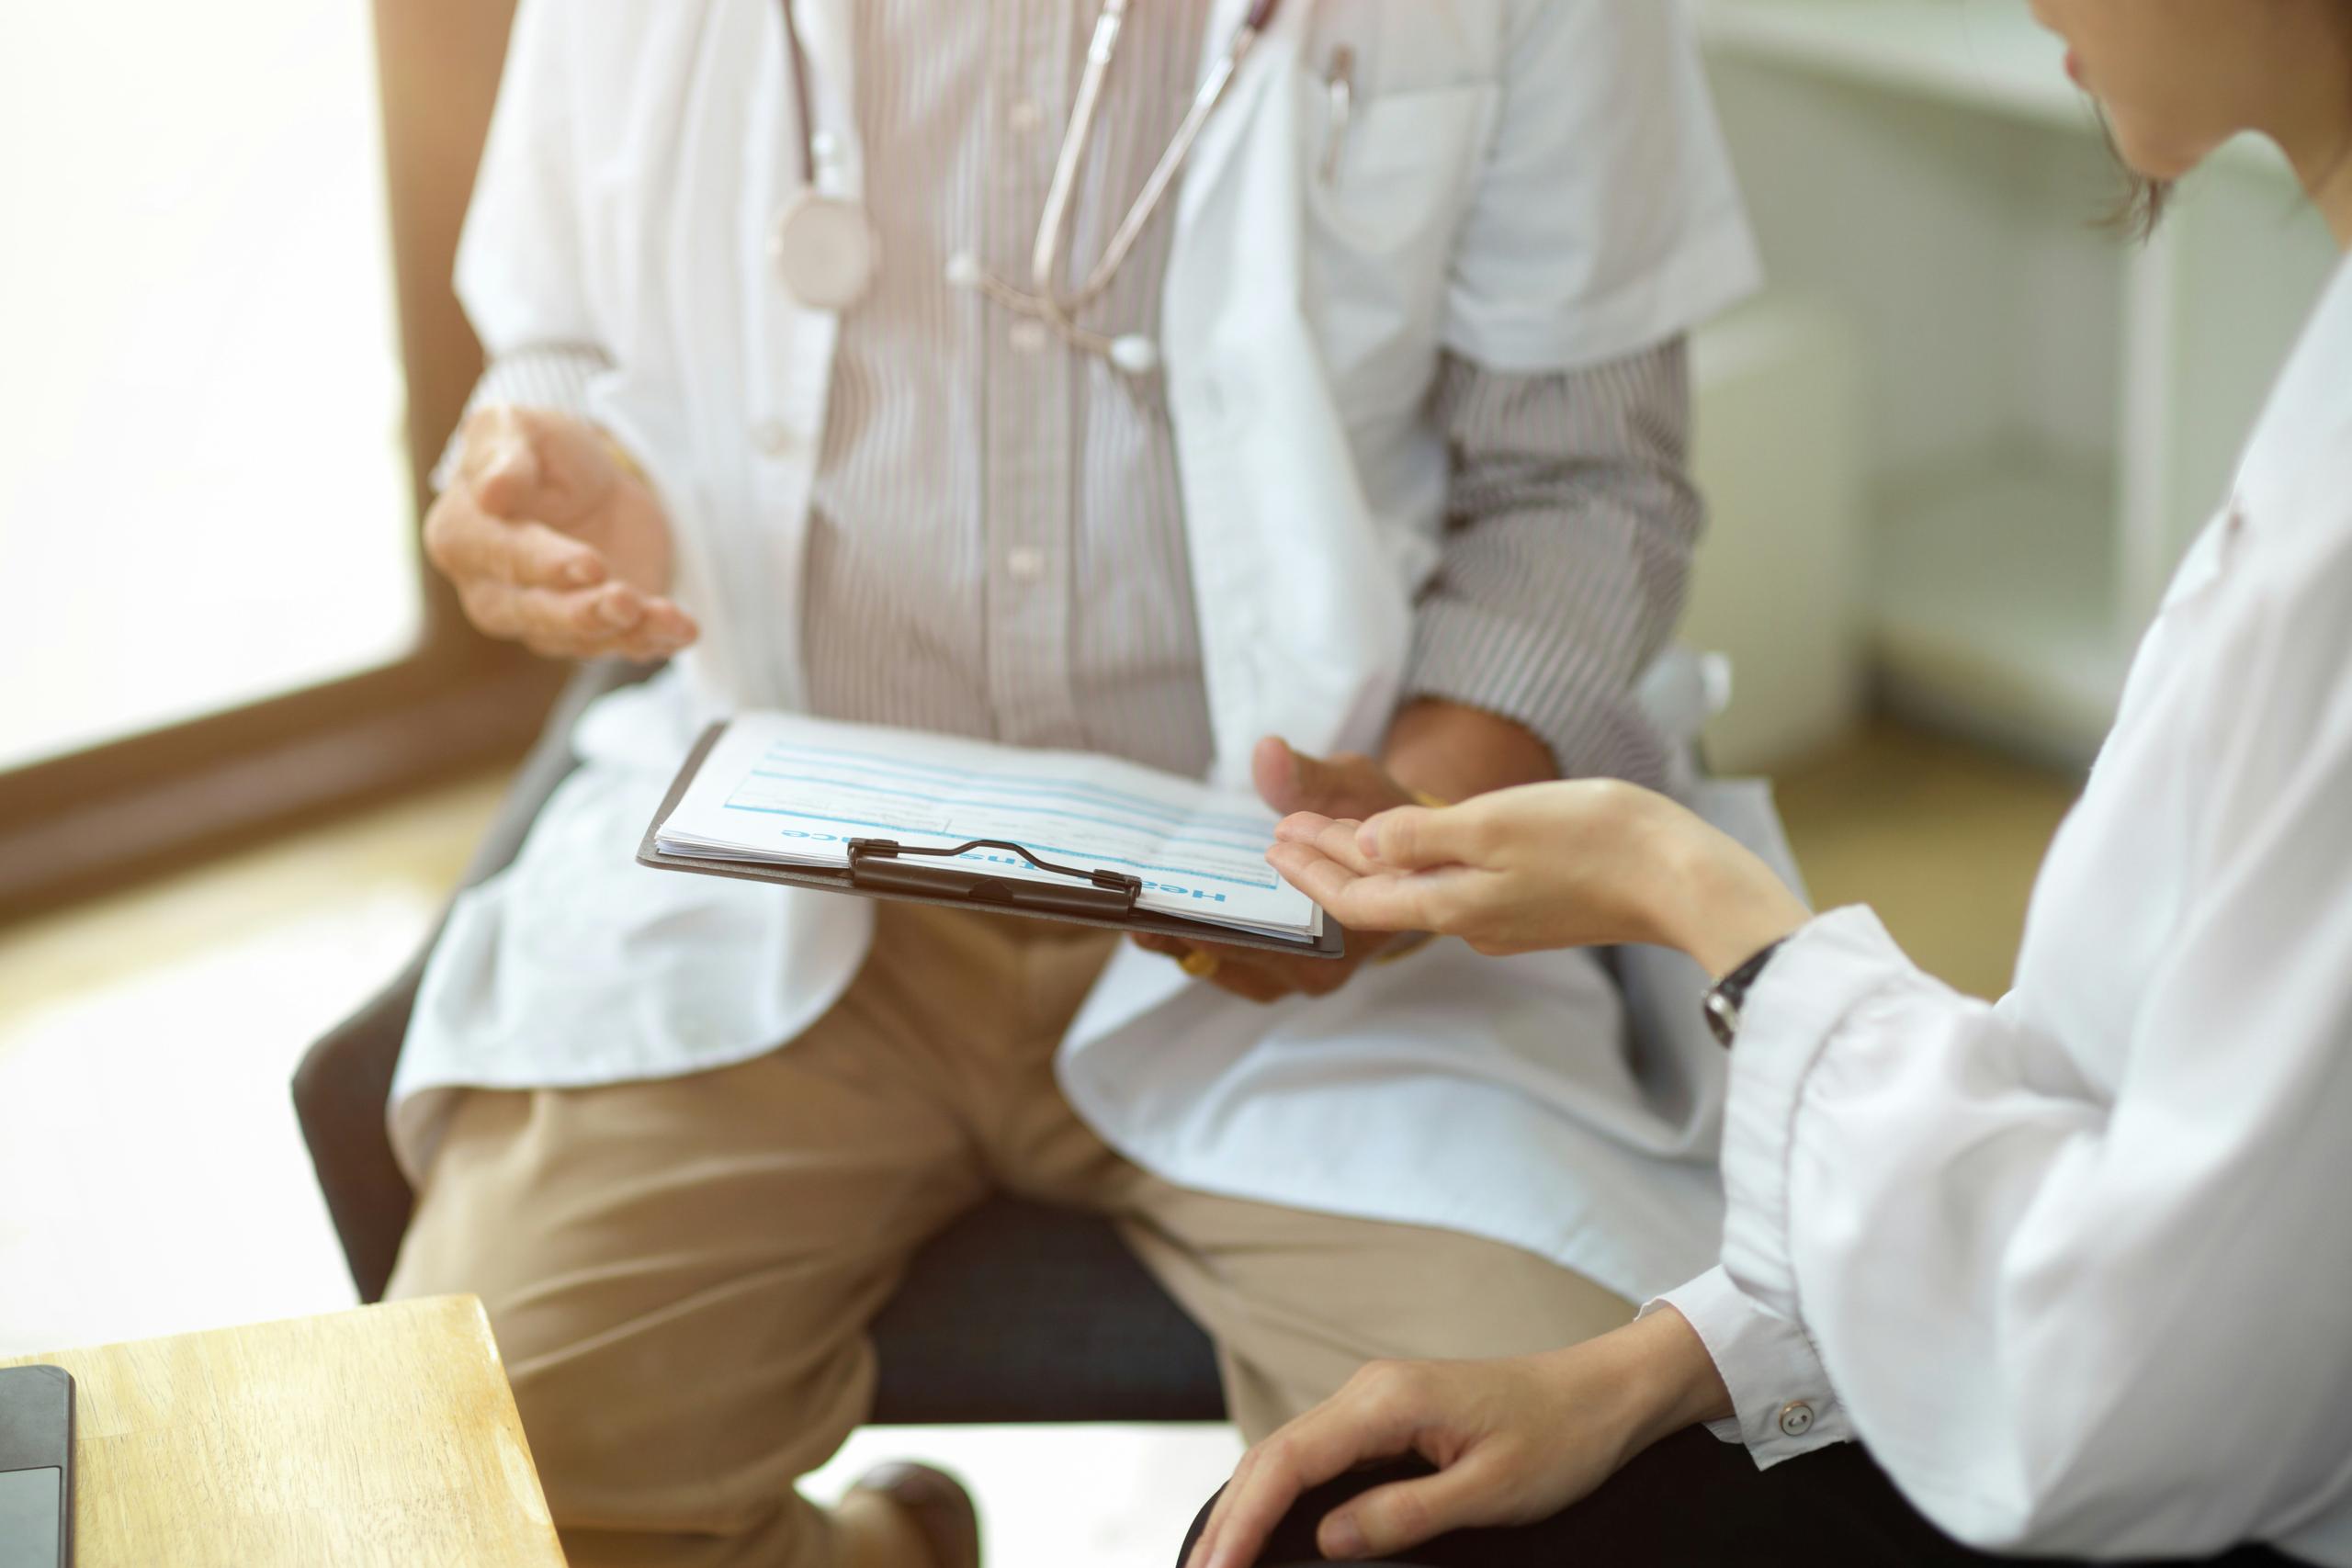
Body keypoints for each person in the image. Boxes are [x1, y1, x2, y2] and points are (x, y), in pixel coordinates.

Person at [386, 3, 1766, 1565]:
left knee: (1531, 1505)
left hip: (1331, 929)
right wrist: (553, 484)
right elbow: (563, 338)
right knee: (472, 1498)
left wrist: (1409, 835)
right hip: (787, 879)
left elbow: (1583, 486)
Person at [1184, 3, 2352, 1565]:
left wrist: (1696, 896)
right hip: (2117, 1387)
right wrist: (1643, 1377)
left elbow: (2110, 1396)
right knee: (1341, 1507)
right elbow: (2113, 1105)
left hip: (2159, 1463)